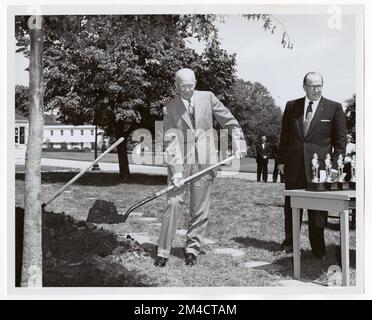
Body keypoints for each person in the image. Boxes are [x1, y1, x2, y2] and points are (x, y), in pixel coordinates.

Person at [154, 68, 247, 267]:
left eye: (191, 85)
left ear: (195, 82)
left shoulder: (209, 97)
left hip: (205, 161)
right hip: (180, 162)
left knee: (199, 208)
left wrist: (238, 141)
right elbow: (170, 141)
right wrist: (177, 170)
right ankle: (163, 251)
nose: (187, 89)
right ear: (176, 86)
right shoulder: (169, 108)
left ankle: (192, 249)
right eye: (183, 86)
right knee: (173, 204)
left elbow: (229, 121)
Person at [278, 72, 347, 260]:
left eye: (319, 85)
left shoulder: (334, 108)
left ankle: (318, 249)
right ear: (304, 87)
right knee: (292, 207)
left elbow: (340, 142)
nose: (316, 89)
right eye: (312, 86)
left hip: (320, 171)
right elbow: (284, 136)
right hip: (294, 166)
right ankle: (291, 243)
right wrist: (281, 161)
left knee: (317, 212)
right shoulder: (292, 106)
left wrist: (334, 167)